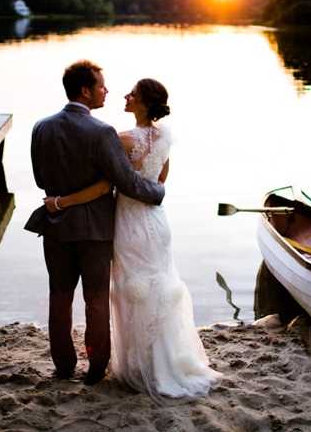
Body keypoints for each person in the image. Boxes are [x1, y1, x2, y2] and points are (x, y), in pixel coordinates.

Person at [43, 78, 224, 401]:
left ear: (142, 103)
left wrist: (60, 202)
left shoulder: (120, 139)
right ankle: (167, 360)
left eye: (133, 94)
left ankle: (140, 365)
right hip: (156, 223)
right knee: (160, 287)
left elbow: (102, 188)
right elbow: (160, 179)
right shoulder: (165, 138)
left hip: (129, 224)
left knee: (132, 291)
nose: (125, 96)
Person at [25, 60, 165, 386]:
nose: (107, 91)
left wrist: (61, 198)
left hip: (56, 222)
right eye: (102, 86)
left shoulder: (40, 127)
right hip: (95, 231)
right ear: (85, 91)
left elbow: (39, 177)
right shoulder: (101, 132)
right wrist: (156, 192)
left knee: (59, 296)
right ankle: (95, 366)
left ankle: (63, 366)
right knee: (96, 298)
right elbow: (126, 181)